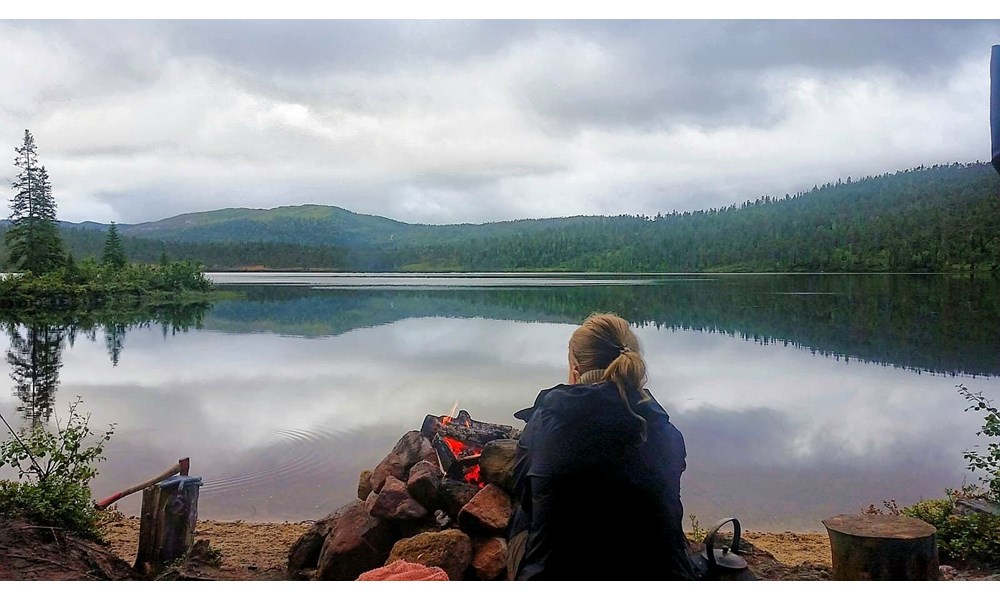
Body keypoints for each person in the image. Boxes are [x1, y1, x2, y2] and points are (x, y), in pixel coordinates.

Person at [507, 312, 695, 580]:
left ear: (575, 371)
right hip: (660, 576)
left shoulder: (545, 424)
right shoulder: (664, 430)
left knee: (523, 517)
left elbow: (523, 492)